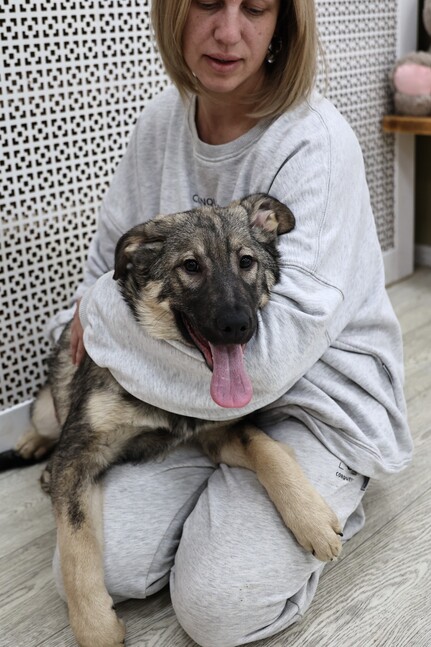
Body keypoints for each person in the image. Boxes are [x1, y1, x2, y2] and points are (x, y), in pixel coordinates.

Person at [48, 1, 413, 645]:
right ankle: (216, 494)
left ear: (283, 22)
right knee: (110, 564)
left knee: (218, 607)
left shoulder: (316, 143)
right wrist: (96, 308)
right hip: (191, 404)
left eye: (255, 7)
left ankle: (336, 481)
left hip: (315, 398)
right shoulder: (159, 122)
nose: (227, 31)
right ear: (173, 12)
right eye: (207, 2)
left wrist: (104, 315)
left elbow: (266, 362)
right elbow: (100, 272)